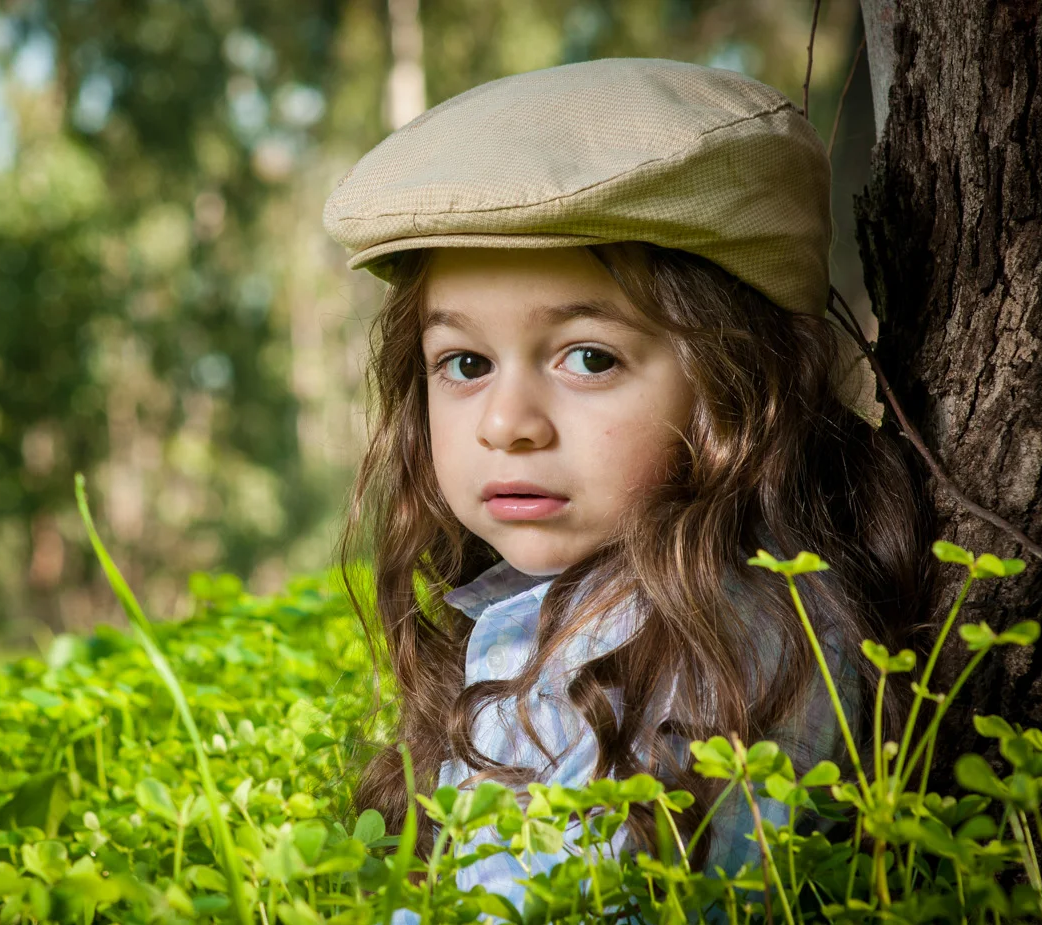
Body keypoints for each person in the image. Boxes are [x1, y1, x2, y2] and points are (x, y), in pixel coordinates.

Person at [322, 58, 938, 921]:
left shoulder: (659, 660)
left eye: (588, 357)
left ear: (740, 381)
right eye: (463, 363)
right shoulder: (732, 595)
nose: (506, 423)